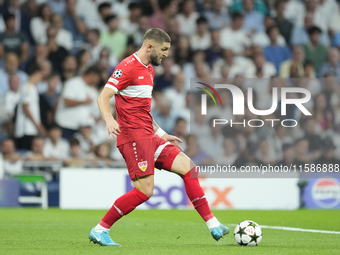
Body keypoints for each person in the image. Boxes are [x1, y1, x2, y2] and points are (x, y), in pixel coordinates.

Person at [89, 28, 229, 246]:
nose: (166, 54)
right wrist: (109, 119)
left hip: (149, 135)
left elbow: (143, 111)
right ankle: (100, 229)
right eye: (163, 50)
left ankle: (214, 225)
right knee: (144, 191)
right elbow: (103, 96)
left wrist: (163, 135)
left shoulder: (149, 70)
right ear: (149, 46)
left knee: (190, 168)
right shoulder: (127, 67)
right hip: (134, 137)